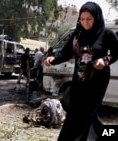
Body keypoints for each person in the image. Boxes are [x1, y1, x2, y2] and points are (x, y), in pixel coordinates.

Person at [45, 2, 118, 140]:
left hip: (98, 80)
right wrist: (53, 59)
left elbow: (116, 52)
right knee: (74, 111)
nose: (85, 23)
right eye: (82, 19)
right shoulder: (77, 35)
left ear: (96, 17)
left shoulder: (106, 33)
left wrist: (105, 60)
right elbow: (66, 53)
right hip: (79, 79)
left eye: (89, 19)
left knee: (88, 112)